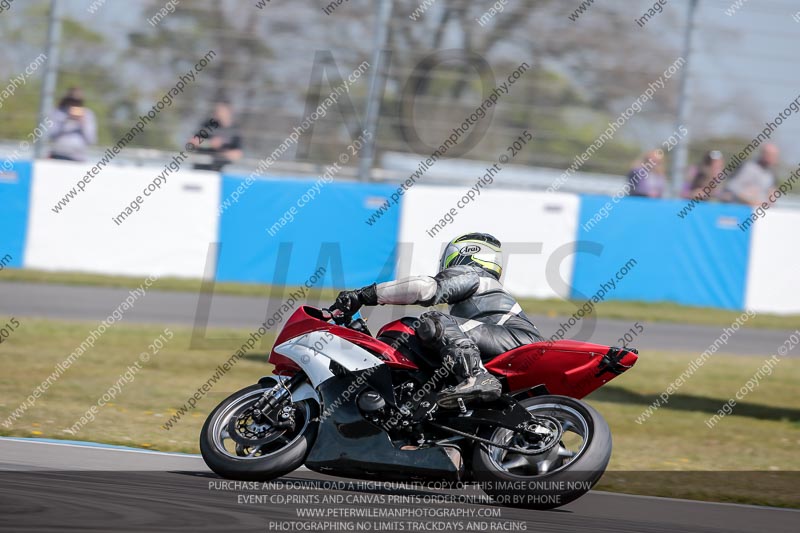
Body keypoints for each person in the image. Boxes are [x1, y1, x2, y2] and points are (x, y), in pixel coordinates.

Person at [331, 233, 544, 409]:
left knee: (434, 321)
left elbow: (424, 288)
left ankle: (476, 375)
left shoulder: (472, 273)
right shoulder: (485, 292)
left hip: (518, 341)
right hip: (515, 345)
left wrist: (363, 295)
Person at [188, 99, 243, 171]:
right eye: (217, 110)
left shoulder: (234, 129)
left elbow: (237, 154)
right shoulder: (209, 124)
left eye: (221, 110)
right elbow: (192, 143)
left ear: (229, 111)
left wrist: (221, 152)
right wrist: (209, 144)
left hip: (221, 170)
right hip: (201, 167)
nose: (218, 113)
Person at [49, 87, 97, 162]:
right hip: (58, 154)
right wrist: (65, 120)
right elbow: (50, 134)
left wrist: (83, 123)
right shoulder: (58, 112)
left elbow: (91, 140)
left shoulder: (87, 114)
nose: (74, 103)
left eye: (77, 101)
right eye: (72, 100)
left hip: (78, 157)